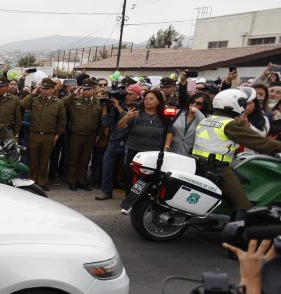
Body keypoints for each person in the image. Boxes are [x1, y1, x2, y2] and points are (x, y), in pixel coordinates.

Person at [190, 89, 281, 217]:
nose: (244, 107)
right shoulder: (230, 124)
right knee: (243, 204)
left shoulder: (208, 120)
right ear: (233, 104)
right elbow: (260, 143)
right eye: (242, 104)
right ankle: (236, 234)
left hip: (199, 164)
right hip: (218, 168)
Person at [118, 89, 174, 190]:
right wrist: (126, 117)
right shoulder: (135, 113)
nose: (147, 101)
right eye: (146, 99)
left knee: (149, 179)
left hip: (153, 153)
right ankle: (129, 200)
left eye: (151, 99)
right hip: (134, 151)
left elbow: (169, 133)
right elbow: (121, 126)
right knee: (131, 178)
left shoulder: (164, 116)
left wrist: (166, 147)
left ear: (158, 101)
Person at [21, 78, 66, 191]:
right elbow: (23, 104)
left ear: (52, 90)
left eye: (46, 89)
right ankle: (31, 181)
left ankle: (42, 182)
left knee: (44, 160)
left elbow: (62, 121)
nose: (43, 91)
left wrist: (58, 134)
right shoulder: (35, 100)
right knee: (32, 159)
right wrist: (33, 92)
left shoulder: (58, 103)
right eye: (42, 88)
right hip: (34, 134)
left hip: (49, 135)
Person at [62, 78, 102, 191]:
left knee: (85, 159)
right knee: (74, 159)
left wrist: (99, 134)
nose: (86, 91)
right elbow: (61, 103)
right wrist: (72, 94)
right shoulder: (74, 100)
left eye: (89, 89)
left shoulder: (98, 103)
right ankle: (72, 181)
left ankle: (82, 181)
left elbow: (100, 121)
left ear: (94, 90)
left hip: (90, 135)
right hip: (76, 135)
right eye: (84, 89)